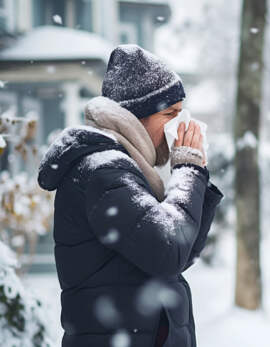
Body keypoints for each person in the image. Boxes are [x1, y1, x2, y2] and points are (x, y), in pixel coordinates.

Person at [37, 44, 223, 347]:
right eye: (170, 113)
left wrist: (196, 178)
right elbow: (168, 251)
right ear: (136, 117)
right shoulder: (103, 171)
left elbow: (179, 256)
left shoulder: (127, 170)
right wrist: (189, 169)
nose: (181, 124)